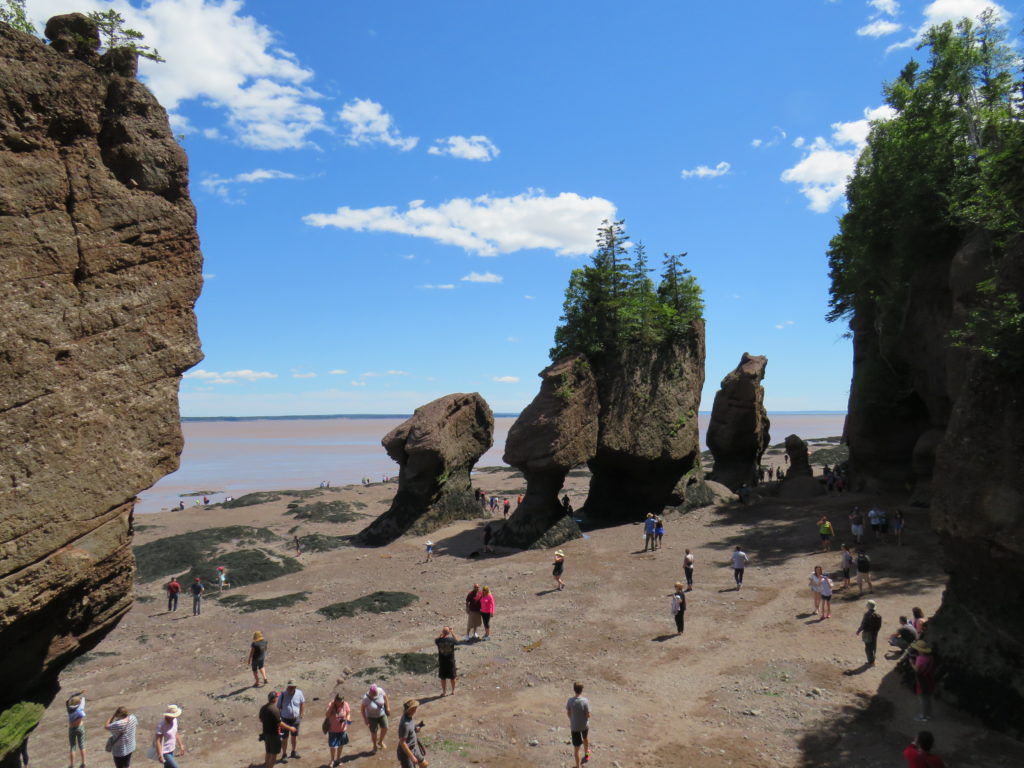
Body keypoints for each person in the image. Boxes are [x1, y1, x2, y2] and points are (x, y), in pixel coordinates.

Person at [259, 691, 294, 768]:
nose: (278, 698)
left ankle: (266, 765)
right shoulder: (275, 710)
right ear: (274, 699)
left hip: (266, 734)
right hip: (273, 735)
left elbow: (261, 720)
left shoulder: (263, 708)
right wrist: (290, 728)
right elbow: (280, 724)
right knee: (274, 755)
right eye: (276, 697)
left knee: (268, 752)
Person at [278, 681, 305, 761]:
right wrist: (279, 719)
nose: (289, 689)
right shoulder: (282, 695)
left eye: (291, 687)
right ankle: (284, 754)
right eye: (289, 687)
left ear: (295, 687)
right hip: (285, 720)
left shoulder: (299, 693)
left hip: (295, 720)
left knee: (294, 737)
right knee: (284, 738)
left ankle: (293, 751)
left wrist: (301, 714)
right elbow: (278, 707)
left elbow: (302, 703)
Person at [566, 682, 591, 768]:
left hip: (575, 726)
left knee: (576, 749)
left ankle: (577, 766)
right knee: (585, 739)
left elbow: (568, 713)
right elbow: (588, 715)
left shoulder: (570, 701)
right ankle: (587, 755)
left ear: (574, 689)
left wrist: (572, 720)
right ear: (582, 690)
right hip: (584, 725)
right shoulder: (585, 700)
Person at [397, 700, 427, 768]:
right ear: (409, 709)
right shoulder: (405, 724)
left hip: (414, 748)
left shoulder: (408, 716)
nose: (415, 710)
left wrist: (415, 728)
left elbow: (410, 729)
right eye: (414, 708)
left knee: (424, 764)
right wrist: (412, 757)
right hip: (406, 753)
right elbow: (402, 742)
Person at [324, 693, 351, 767]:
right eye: (337, 701)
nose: (339, 703)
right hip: (332, 729)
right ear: (335, 700)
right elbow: (327, 715)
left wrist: (347, 719)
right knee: (332, 745)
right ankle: (332, 760)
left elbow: (348, 713)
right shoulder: (331, 704)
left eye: (340, 701)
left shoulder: (345, 704)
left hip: (342, 729)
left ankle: (338, 759)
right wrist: (332, 706)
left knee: (340, 744)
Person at [360, 684, 390, 752]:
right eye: (374, 693)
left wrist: (388, 707)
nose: (375, 694)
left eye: (376, 693)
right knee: (374, 732)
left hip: (382, 714)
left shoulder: (380, 690)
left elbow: (385, 697)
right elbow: (362, 709)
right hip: (371, 717)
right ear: (370, 692)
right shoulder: (366, 698)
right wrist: (365, 719)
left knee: (385, 727)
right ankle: (374, 745)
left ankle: (380, 741)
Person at [912, 640, 936, 721]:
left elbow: (916, 670)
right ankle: (929, 714)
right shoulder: (931, 658)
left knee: (922, 699)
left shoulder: (920, 658)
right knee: (928, 698)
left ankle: (923, 715)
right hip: (929, 679)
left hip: (921, 680)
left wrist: (911, 663)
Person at [856, 600, 883, 665]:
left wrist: (858, 631)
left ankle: (871, 661)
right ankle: (873, 658)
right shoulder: (878, 615)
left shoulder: (867, 615)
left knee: (868, 647)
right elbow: (879, 626)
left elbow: (863, 624)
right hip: (875, 633)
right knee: (874, 646)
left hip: (868, 633)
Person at [66, 690, 87, 768]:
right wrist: (82, 695)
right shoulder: (80, 707)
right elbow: (83, 700)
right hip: (80, 727)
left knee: (72, 746)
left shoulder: (68, 708)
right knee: (82, 745)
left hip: (72, 728)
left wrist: (76, 694)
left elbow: (68, 699)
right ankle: (84, 763)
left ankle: (72, 765)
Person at [435, 626, 457, 696]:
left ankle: (444, 692)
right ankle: (453, 691)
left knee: (443, 677)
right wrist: (452, 632)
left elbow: (436, 639)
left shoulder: (438, 641)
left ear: (443, 632)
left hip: (442, 661)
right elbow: (456, 641)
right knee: (452, 677)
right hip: (450, 661)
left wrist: (441, 634)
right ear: (448, 633)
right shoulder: (451, 640)